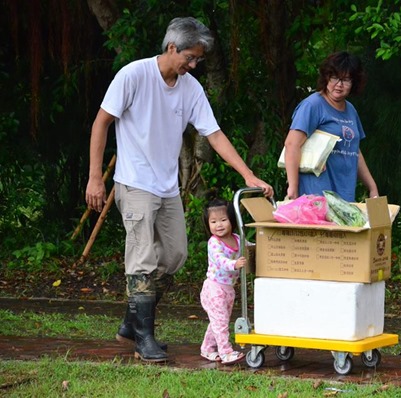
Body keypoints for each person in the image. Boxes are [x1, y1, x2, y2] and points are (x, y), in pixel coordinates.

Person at [85, 17, 273, 363]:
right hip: (135, 181)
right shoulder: (133, 75)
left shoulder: (190, 88)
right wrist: (96, 176)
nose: (194, 65)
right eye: (191, 57)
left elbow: (214, 134)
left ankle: (131, 320)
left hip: (167, 185)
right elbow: (102, 121)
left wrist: (248, 174)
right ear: (171, 47)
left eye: (199, 60)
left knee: (175, 256)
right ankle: (144, 339)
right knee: (141, 257)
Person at [283, 51, 378, 202]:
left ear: (354, 83)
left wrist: (372, 188)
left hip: (344, 195)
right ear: (326, 77)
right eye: (334, 77)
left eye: (346, 80)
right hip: (315, 195)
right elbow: (291, 144)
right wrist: (293, 188)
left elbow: (354, 151)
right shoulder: (313, 105)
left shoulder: (351, 110)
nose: (339, 85)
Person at [199, 198, 246, 364]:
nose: (218, 225)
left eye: (223, 220)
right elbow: (220, 260)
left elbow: (248, 247)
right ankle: (226, 352)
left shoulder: (237, 239)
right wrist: (235, 264)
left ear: (232, 220)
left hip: (228, 289)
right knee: (221, 322)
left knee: (219, 320)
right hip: (214, 288)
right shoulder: (213, 243)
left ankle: (207, 348)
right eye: (213, 221)